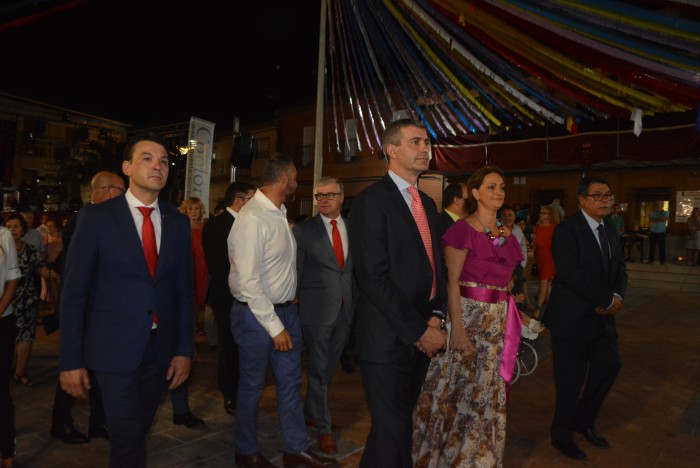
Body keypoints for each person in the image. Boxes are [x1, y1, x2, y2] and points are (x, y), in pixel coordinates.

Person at [59, 133, 195, 467]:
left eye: (163, 161)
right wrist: (70, 361)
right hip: (112, 349)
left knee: (137, 431)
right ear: (127, 167)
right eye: (147, 158)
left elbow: (183, 292)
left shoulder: (177, 222)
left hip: (160, 350)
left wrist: (183, 350)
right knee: (127, 436)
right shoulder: (97, 219)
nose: (157, 166)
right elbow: (74, 294)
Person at [348, 118, 447, 467]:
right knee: (395, 436)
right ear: (392, 150)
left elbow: (437, 269)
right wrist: (419, 330)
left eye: (427, 142)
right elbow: (373, 278)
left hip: (421, 336)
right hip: (387, 339)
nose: (425, 149)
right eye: (415, 142)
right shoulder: (371, 202)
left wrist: (436, 317)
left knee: (391, 429)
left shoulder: (428, 205)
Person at [228, 154, 337, 468]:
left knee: (290, 383)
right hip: (255, 316)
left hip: (286, 313)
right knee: (251, 385)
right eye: (295, 176)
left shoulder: (280, 213)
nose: (298, 182)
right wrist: (275, 327)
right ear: (285, 178)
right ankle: (246, 453)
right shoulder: (253, 218)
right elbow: (248, 281)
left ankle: (295, 450)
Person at [412, 166, 523, 467]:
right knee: (458, 392)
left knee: (487, 392)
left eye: (501, 186)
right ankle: (448, 457)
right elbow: (452, 282)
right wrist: (457, 329)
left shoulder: (507, 235)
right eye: (490, 187)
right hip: (468, 320)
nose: (499, 191)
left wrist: (506, 293)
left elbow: (508, 280)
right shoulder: (461, 230)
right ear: (475, 193)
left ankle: (478, 458)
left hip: (496, 326)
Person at [545, 175, 627, 461]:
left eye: (608, 195)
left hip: (602, 319)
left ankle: (584, 419)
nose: (605, 200)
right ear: (582, 200)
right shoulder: (567, 231)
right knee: (569, 380)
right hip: (571, 319)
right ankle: (562, 434)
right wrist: (605, 299)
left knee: (610, 365)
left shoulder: (611, 230)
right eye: (598, 195)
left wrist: (617, 296)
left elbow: (620, 269)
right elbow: (569, 273)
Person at [51, 171, 123, 444]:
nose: (124, 197)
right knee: (75, 368)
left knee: (99, 369)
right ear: (106, 191)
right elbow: (76, 277)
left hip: (102, 312)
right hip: (85, 312)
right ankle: (61, 423)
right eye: (121, 190)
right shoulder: (83, 220)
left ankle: (98, 422)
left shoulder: (106, 220)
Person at [293, 176, 356, 455]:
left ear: (342, 197)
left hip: (346, 309)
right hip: (316, 311)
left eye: (330, 195)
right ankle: (324, 429)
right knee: (318, 369)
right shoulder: (304, 231)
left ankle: (310, 409)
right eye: (320, 196)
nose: (325, 200)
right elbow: (296, 270)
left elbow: (354, 272)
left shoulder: (353, 229)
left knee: (329, 368)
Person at [201, 181, 255, 416]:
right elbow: (219, 265)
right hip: (227, 296)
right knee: (229, 347)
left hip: (251, 297)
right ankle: (230, 394)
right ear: (240, 200)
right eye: (252, 200)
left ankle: (245, 389)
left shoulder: (251, 224)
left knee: (247, 346)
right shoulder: (217, 225)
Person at [4, 213, 56, 388]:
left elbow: (40, 269)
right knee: (7, 337)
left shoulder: (30, 251)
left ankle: (20, 372)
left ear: (23, 230)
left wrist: (53, 275)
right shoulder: (2, 251)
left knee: (25, 337)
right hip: (5, 302)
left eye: (16, 227)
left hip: (26, 300)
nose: (12, 230)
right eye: (9, 227)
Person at [0, 224, 20, 468]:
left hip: (2, 321)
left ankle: (7, 452)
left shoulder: (4, 235)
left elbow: (12, 279)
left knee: (1, 390)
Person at [501, 204, 531, 307]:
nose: (507, 218)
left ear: (514, 216)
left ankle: (517, 318)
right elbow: (497, 243)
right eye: (504, 215)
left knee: (517, 292)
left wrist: (522, 265)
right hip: (501, 267)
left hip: (516, 266)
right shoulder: (498, 228)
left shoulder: (517, 229)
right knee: (504, 294)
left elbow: (523, 247)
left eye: (510, 215)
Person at [532, 204, 558, 318]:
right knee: (547, 287)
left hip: (549, 258)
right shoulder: (537, 227)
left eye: (544, 213)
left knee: (543, 284)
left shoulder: (555, 228)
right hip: (540, 258)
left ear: (550, 215)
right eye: (541, 212)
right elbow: (535, 243)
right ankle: (552, 312)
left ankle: (537, 311)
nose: (541, 215)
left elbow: (558, 246)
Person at [647, 200, 668, 264]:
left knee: (661, 247)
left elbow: (664, 219)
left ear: (662, 205)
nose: (657, 205)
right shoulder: (652, 213)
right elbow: (651, 220)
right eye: (656, 204)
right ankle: (650, 260)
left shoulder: (666, 212)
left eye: (658, 204)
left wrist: (657, 217)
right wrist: (659, 219)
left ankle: (662, 261)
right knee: (652, 247)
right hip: (653, 232)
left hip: (661, 232)